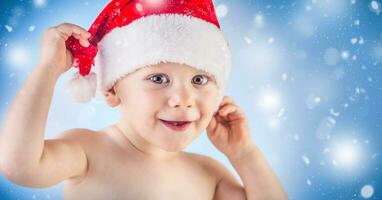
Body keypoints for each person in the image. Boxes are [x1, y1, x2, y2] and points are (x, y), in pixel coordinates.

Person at [0, 0, 287, 199]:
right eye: (158, 78)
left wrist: (244, 154)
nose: (183, 99)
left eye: (199, 80)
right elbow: (19, 167)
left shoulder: (209, 175)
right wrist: (47, 70)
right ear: (112, 90)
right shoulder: (88, 152)